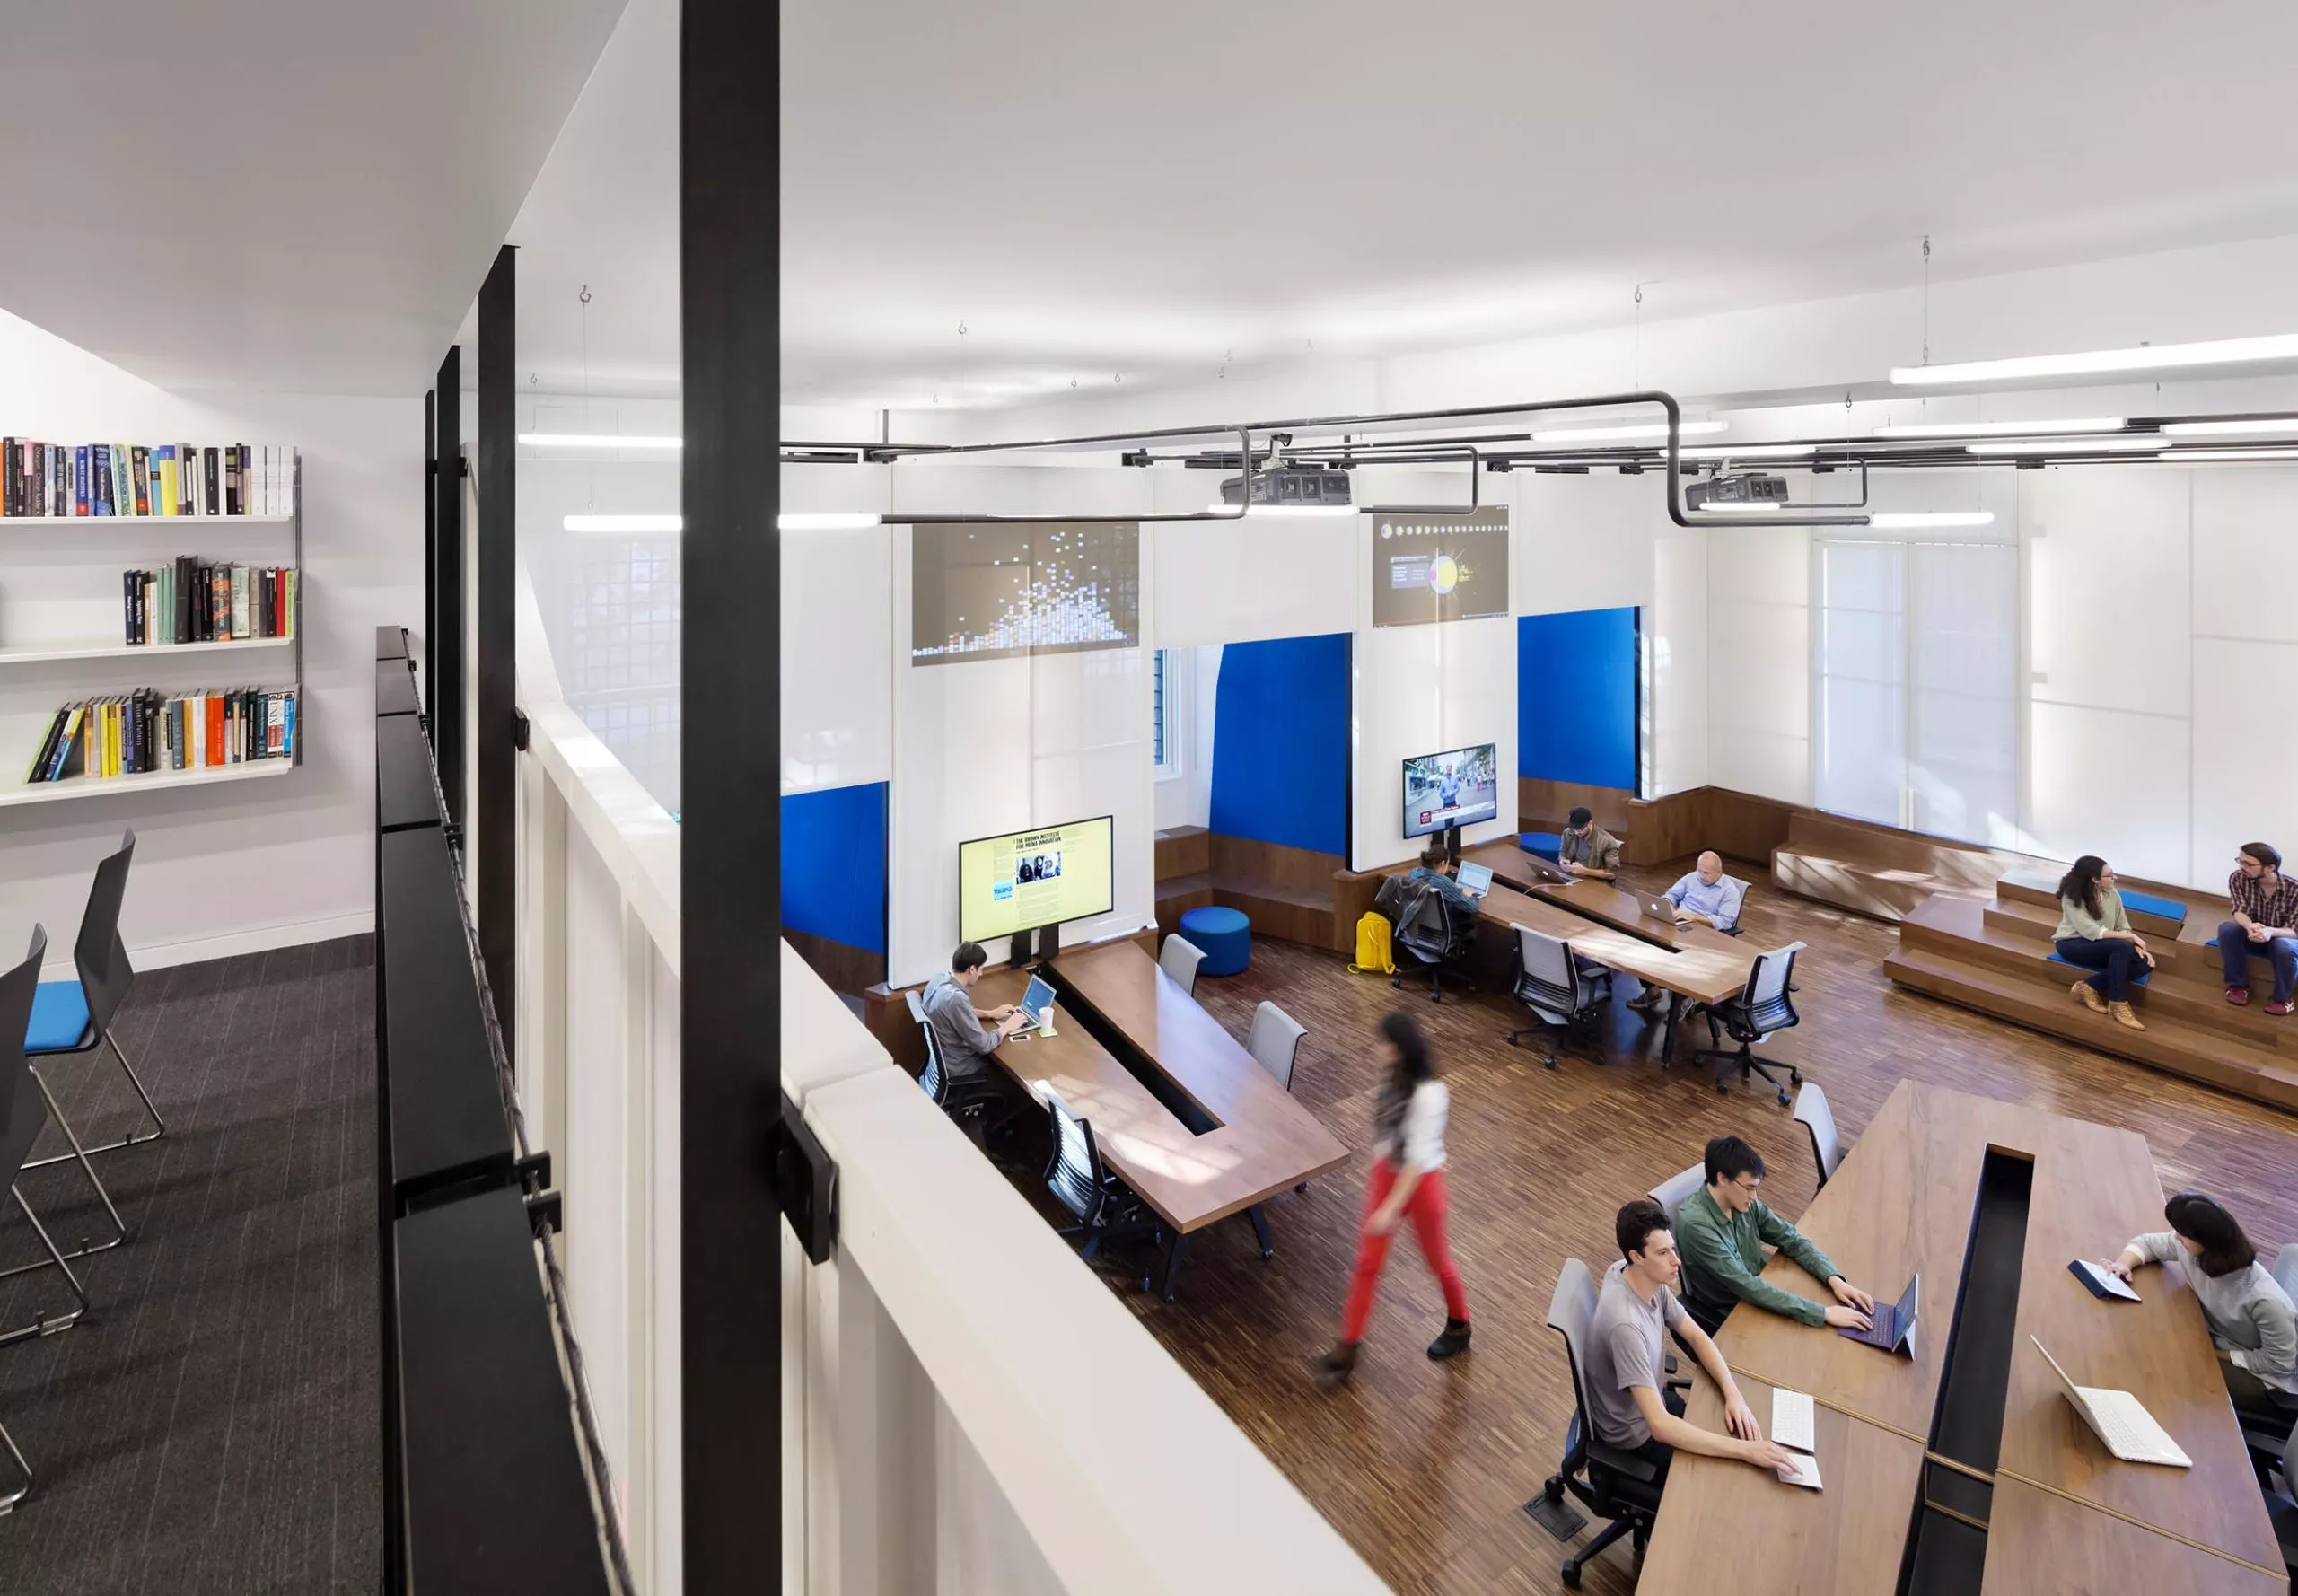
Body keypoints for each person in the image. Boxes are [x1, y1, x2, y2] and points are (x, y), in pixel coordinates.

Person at [1581, 1198, 1804, 1487]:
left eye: (1672, 1248)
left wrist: (1733, 1394)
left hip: (1653, 1401)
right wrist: (1746, 1451)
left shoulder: (1637, 1276)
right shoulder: (1626, 1325)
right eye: (1663, 1253)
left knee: (1734, 1428)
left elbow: (1697, 1337)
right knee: (1721, 1483)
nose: (1677, 1261)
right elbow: (1659, 1427)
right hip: (1637, 1434)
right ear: (1636, 1257)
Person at [1315, 1013, 1470, 1385]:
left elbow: (1417, 1159)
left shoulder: (1431, 1093)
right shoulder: (1391, 1076)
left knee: (1437, 1261)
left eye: (1383, 1043)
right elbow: (1386, 1130)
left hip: (1421, 1182)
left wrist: (1388, 1208)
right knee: (1367, 1263)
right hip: (1388, 1172)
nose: (1378, 1049)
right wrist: (1378, 1174)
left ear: (1398, 1049)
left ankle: (1459, 1324)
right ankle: (1347, 1349)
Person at [2103, 1193, 2298, 1421]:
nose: (2177, 1238)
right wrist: (2123, 1264)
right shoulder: (2193, 1251)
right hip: (2219, 1337)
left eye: (2183, 1235)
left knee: (2172, 1368)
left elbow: (2279, 1362)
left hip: (2266, 1380)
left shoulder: (2265, 1300)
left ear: (2206, 1241)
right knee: (2151, 1338)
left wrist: (2212, 1354)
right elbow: (2148, 1243)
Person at [1674, 1136, 1876, 1337]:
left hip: (1761, 1289)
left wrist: (1835, 1280)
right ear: (1722, 1178)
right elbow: (1745, 1284)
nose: (1754, 1197)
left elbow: (1791, 1238)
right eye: (1750, 1188)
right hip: (1734, 1313)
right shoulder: (1697, 1225)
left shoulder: (1743, 1202)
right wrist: (1823, 1313)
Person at [2054, 854, 2153, 1032]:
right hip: (2073, 943)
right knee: (2122, 946)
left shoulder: (2112, 895)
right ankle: (2118, 1003)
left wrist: (2136, 945)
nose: (2115, 877)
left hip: (2103, 945)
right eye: (2110, 875)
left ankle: (2088, 986)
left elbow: (2123, 926)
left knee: (2145, 963)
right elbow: (2090, 931)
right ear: (2094, 879)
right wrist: (2131, 939)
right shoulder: (2072, 897)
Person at [920, 942, 1034, 1093]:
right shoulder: (956, 999)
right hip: (960, 1069)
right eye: (980, 969)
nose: (981, 974)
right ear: (971, 969)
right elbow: (984, 1045)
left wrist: (989, 1013)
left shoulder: (938, 980)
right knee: (1015, 1079)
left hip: (943, 1064)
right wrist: (1007, 1026)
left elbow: (952, 1012)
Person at [2221, 842, 2298, 1017]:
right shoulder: (2238, 878)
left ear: (2270, 867)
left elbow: (2295, 930)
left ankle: (2283, 999)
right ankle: (2237, 986)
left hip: (2282, 938)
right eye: (2240, 861)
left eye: (2248, 864)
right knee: (2227, 930)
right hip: (2254, 933)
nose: (2242, 867)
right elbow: (2240, 910)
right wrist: (2249, 926)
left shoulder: (2294, 889)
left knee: (2284, 947)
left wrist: (2269, 932)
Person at [1665, 851, 1745, 933]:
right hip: (1679, 922)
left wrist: (1693, 917)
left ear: (1719, 872)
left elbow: (1725, 922)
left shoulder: (1730, 891)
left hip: (1702, 929)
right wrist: (1669, 907)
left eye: (1707, 873)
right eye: (1699, 871)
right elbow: (1671, 895)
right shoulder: (1691, 877)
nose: (1702, 876)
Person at [1406, 844, 1478, 914]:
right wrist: (1469, 895)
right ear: (1442, 864)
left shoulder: (1414, 873)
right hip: (1441, 925)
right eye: (1448, 864)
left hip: (1416, 921)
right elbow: (1472, 907)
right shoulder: (1443, 882)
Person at [1557, 806, 1621, 881]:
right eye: (1574, 829)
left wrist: (1585, 871)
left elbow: (1612, 874)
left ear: (1590, 823)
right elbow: (1563, 853)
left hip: (1595, 881)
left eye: (1580, 829)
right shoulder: (1568, 832)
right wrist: (1562, 861)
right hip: (1573, 876)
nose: (1576, 833)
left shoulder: (1607, 841)